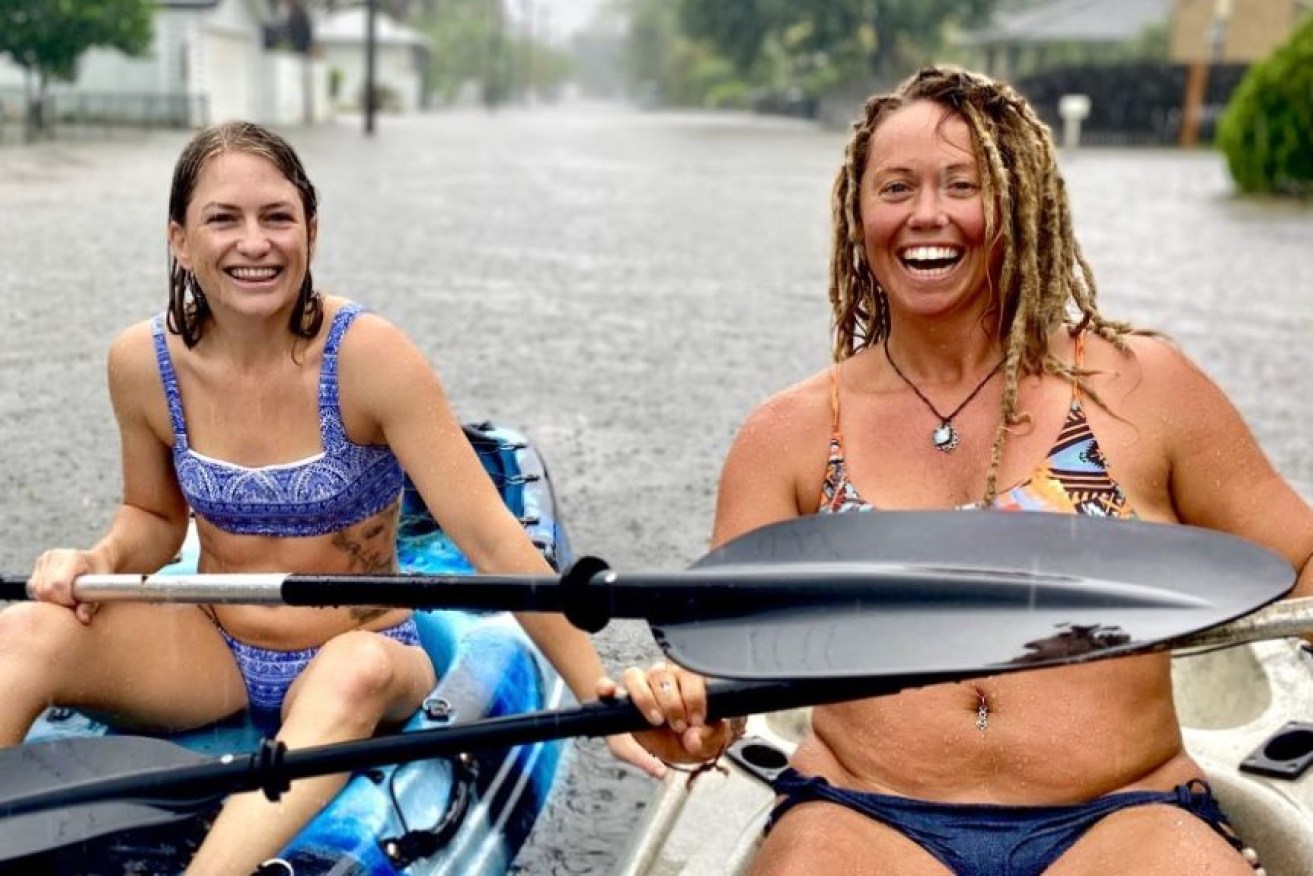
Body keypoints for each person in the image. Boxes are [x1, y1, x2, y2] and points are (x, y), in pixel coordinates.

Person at [618, 66, 1313, 875]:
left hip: (1122, 813)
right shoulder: (791, 433)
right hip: (861, 812)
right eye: (895, 187)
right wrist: (687, 716)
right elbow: (725, 671)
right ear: (857, 215)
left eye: (961, 184)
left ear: (1019, 204)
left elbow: (1299, 559)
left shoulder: (1136, 385)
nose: (926, 215)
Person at [0, 120, 664, 876]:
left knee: (352, 669)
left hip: (368, 653)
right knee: (25, 630)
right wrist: (98, 558)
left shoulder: (367, 356)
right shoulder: (141, 363)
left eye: (277, 217)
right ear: (180, 240)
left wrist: (598, 696)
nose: (255, 242)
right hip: (214, 647)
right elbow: (153, 520)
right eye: (224, 218)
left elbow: (488, 537)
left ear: (310, 230)